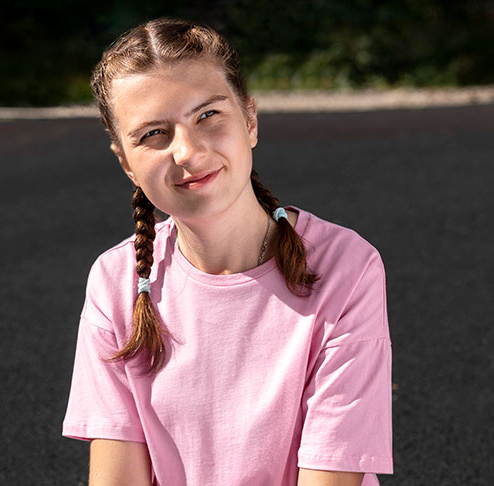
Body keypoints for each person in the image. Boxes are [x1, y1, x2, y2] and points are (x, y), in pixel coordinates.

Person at [62, 18, 393, 486]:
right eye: (153, 134)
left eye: (207, 116)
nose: (188, 152)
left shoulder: (346, 267)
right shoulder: (115, 281)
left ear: (250, 120)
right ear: (126, 164)